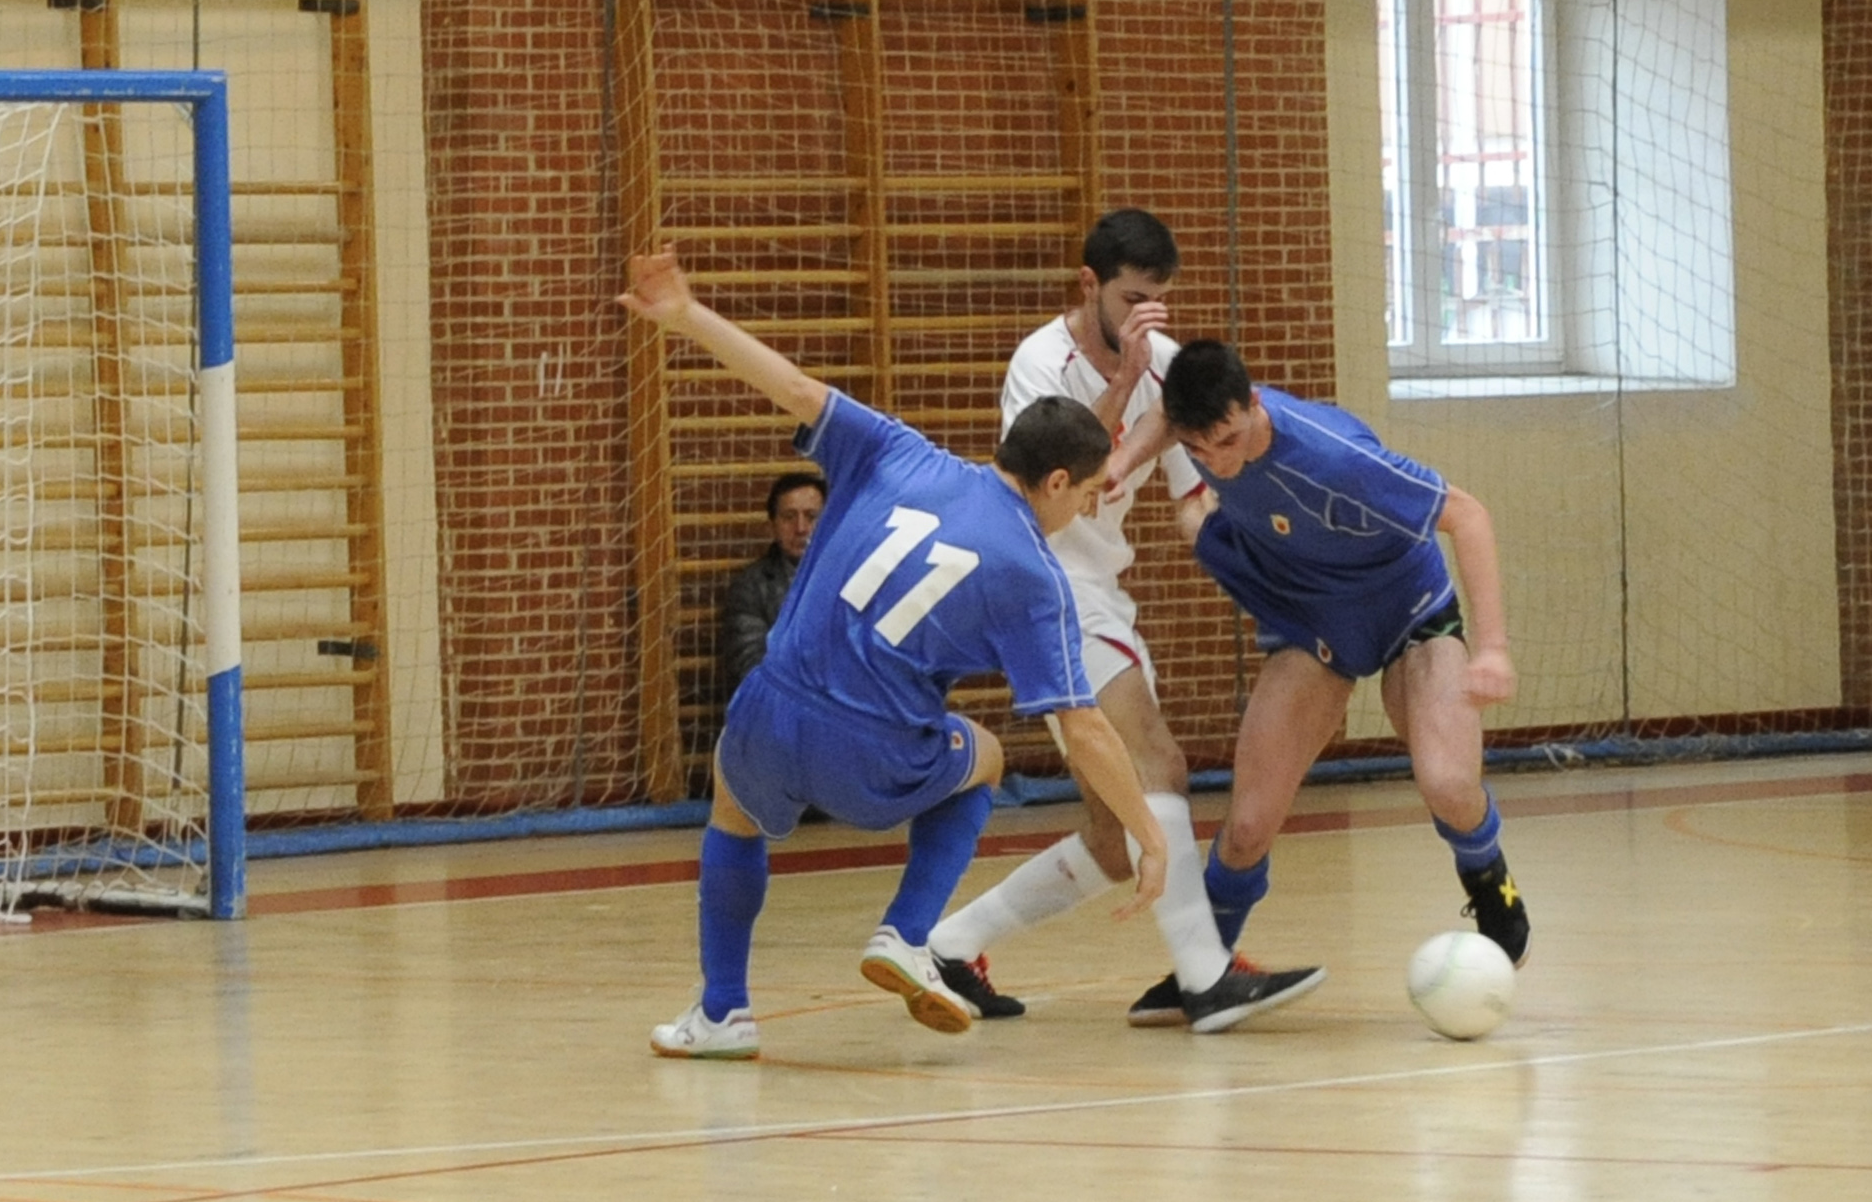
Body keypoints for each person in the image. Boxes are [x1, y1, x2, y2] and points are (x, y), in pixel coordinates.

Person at [620, 252, 1318, 1060]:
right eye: (1091, 491)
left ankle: (722, 1013)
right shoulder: (1033, 575)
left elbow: (795, 388)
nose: (1092, 505)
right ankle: (908, 934)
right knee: (983, 756)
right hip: (872, 754)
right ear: (1057, 481)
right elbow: (1087, 731)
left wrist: (684, 315)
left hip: (767, 711)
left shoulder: (898, 451)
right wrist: (1152, 840)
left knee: (734, 811)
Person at [926, 211, 1324, 1033]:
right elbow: (1052, 480)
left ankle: (950, 946)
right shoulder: (1040, 363)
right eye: (1132, 296)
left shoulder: (1168, 364)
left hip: (1102, 588)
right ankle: (1205, 976)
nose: (1148, 313)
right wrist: (1125, 381)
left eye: (1159, 299)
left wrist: (1258, 572)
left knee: (1114, 839)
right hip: (1046, 580)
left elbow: (1191, 497)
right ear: (1090, 286)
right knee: (1158, 765)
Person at [1150, 338, 1530, 971]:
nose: (1218, 458)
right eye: (1198, 449)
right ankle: (1202, 969)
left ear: (1254, 404)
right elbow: (1163, 427)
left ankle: (1490, 875)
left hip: (1408, 607)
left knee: (1447, 782)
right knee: (1245, 827)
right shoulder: (1200, 439)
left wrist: (1492, 650)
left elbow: (1468, 515)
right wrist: (1121, 461)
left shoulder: (1333, 456)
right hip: (1312, 620)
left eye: (1228, 438)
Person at [716, 471, 824, 705]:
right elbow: (750, 667)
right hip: (780, 715)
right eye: (788, 517)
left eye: (812, 516)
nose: (801, 528)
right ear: (772, 525)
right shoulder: (750, 588)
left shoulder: (854, 579)